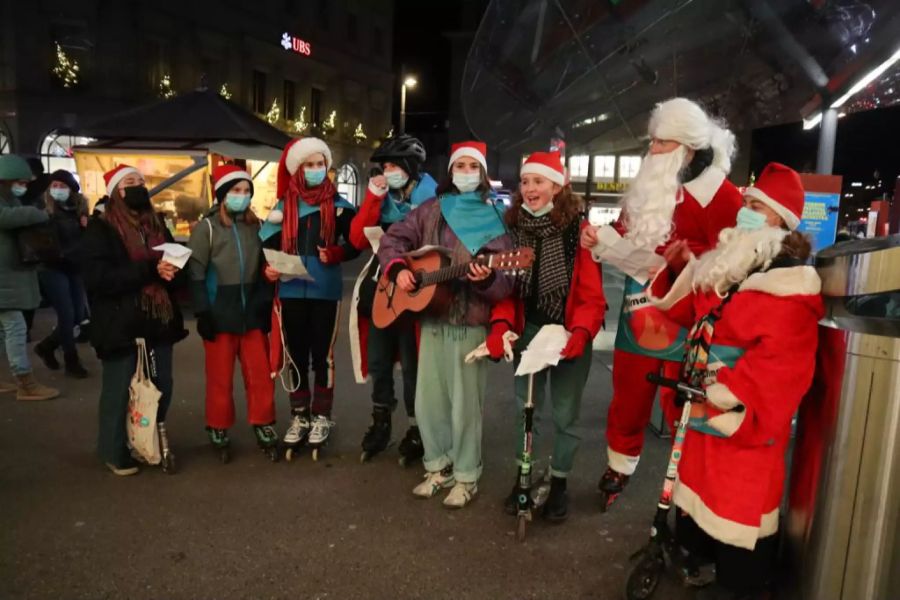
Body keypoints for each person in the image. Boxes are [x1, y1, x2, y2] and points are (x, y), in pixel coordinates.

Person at [647, 162, 822, 600]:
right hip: (705, 404)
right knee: (699, 482)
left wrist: (722, 392)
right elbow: (688, 313)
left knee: (739, 499)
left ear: (780, 220)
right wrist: (676, 270)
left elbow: (782, 365)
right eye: (745, 202)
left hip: (736, 414)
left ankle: (742, 580)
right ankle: (698, 556)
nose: (744, 211)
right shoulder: (733, 266)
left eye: (756, 206)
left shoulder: (789, 287)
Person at [580, 97, 742, 509]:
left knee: (685, 405)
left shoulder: (720, 198)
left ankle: (692, 488)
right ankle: (619, 465)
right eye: (652, 141)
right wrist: (601, 241)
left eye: (660, 143)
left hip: (690, 322)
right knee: (628, 397)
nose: (651, 150)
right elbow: (623, 232)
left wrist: (688, 266)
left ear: (687, 149)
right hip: (640, 315)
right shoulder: (651, 188)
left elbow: (732, 263)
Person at [377, 141, 514, 508]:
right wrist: (399, 269)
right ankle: (438, 466)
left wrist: (485, 279)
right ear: (451, 171)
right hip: (431, 318)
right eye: (460, 165)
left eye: (473, 166)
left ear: (482, 174)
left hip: (470, 322)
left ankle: (467, 474)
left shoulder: (495, 218)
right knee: (429, 402)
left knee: (465, 406)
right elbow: (392, 240)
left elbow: (505, 286)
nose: (466, 172)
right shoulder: (429, 210)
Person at [488, 151, 605, 521]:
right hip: (530, 334)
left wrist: (583, 332)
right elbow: (506, 292)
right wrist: (501, 325)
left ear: (557, 185)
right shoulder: (514, 231)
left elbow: (591, 295)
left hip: (569, 334)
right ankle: (524, 475)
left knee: (566, 416)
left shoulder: (578, 233)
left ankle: (559, 483)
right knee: (527, 412)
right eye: (525, 182)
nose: (530, 188)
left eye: (538, 181)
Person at [81, 164, 187, 476]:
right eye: (131, 182)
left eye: (141, 181)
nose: (139, 186)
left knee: (162, 384)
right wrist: (151, 271)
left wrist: (172, 269)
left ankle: (145, 439)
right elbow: (99, 279)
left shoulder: (156, 223)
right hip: (119, 321)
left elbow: (168, 260)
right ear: (117, 190)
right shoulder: (101, 228)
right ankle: (113, 449)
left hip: (158, 319)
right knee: (119, 387)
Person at [260, 137, 359, 456]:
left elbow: (357, 242)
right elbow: (266, 250)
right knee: (295, 355)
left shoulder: (340, 206)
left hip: (326, 292)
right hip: (290, 290)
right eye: (310, 165)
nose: (317, 170)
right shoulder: (282, 207)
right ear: (297, 169)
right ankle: (299, 415)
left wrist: (337, 252)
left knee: (323, 356)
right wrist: (269, 270)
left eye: (321, 165)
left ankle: (322, 416)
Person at [349, 134, 438, 464]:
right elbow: (358, 238)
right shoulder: (383, 195)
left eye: (392, 166)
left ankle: (417, 427)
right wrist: (373, 198)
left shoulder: (433, 197)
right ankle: (381, 421)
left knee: (414, 364)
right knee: (378, 359)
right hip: (382, 289)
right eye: (383, 166)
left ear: (411, 168)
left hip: (417, 289)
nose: (387, 172)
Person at [187, 165, 277, 461]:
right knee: (219, 377)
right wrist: (203, 312)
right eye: (236, 191)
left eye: (246, 191)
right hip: (219, 313)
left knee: (260, 375)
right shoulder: (207, 228)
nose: (243, 196)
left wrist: (266, 289)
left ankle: (263, 423)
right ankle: (218, 426)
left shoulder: (256, 225)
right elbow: (196, 272)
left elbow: (265, 266)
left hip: (250, 313)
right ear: (223, 194)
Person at [0, 155, 59, 401]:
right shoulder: (9, 205)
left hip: (7, 278)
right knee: (15, 328)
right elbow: (10, 217)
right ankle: (26, 383)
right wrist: (41, 213)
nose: (22, 186)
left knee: (6, 330)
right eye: (19, 181)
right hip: (5, 280)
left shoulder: (9, 199)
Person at [33, 169, 90, 378]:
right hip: (52, 267)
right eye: (54, 186)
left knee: (78, 316)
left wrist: (86, 226)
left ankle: (47, 346)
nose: (57, 190)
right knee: (66, 315)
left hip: (74, 266)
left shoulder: (80, 209)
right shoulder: (44, 210)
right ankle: (71, 359)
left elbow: (84, 240)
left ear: (71, 189)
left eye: (62, 186)